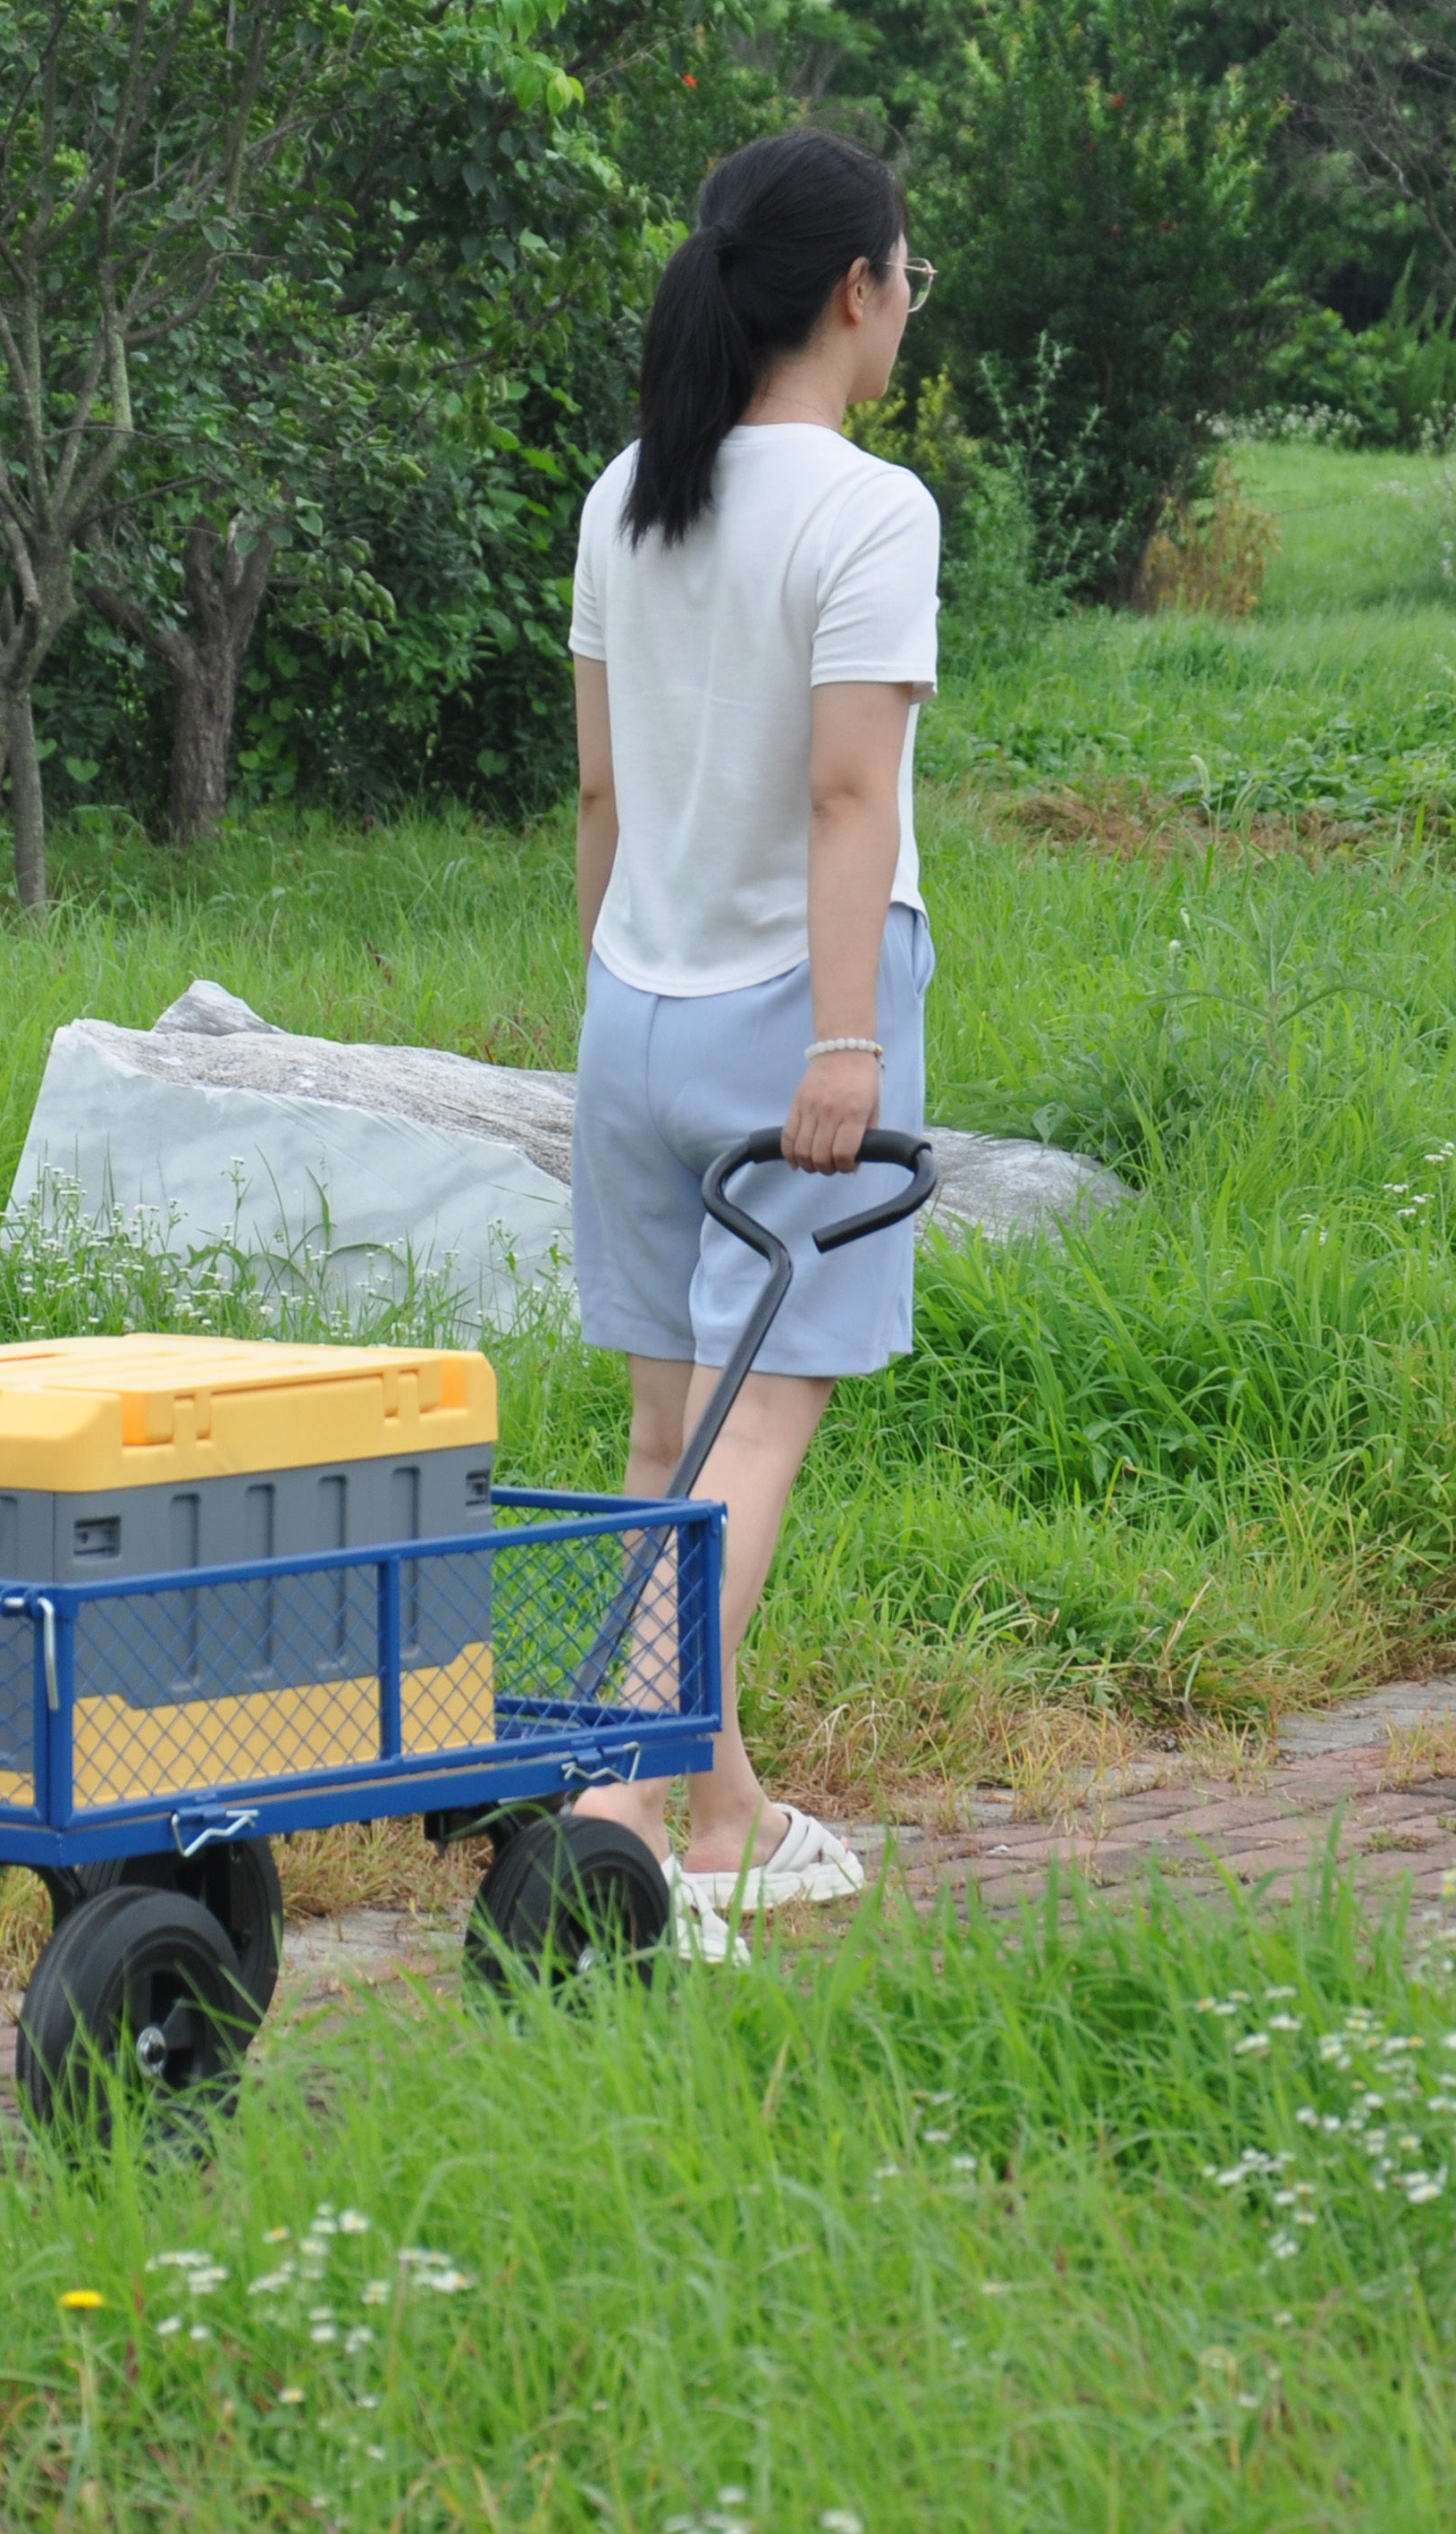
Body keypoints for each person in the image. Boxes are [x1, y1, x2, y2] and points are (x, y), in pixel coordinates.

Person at [562, 128, 939, 1961]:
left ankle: (722, 1810)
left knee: (662, 1444)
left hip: (627, 1003)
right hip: (791, 1021)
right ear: (854, 290)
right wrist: (848, 1036)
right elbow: (849, 791)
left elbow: (598, 788)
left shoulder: (626, 487)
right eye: (904, 280)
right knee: (753, 1434)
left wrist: (611, 998)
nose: (902, 312)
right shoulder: (870, 510)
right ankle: (613, 1825)